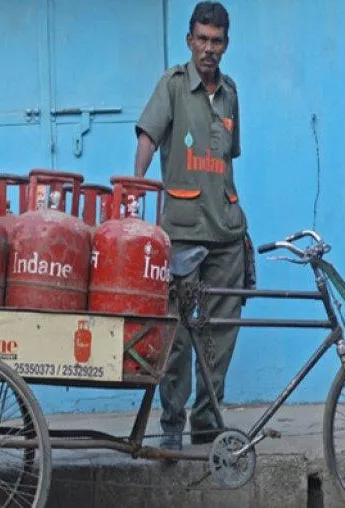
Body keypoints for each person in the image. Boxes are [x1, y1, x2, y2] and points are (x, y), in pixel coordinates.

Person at [134, 1, 249, 452]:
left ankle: (207, 421)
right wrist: (137, 185)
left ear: (226, 45)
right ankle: (172, 425)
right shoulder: (174, 85)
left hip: (226, 233)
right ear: (189, 41)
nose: (208, 48)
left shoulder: (231, 93)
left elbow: (225, 161)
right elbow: (149, 136)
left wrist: (237, 222)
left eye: (216, 41)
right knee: (178, 335)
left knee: (220, 331)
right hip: (182, 234)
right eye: (201, 39)